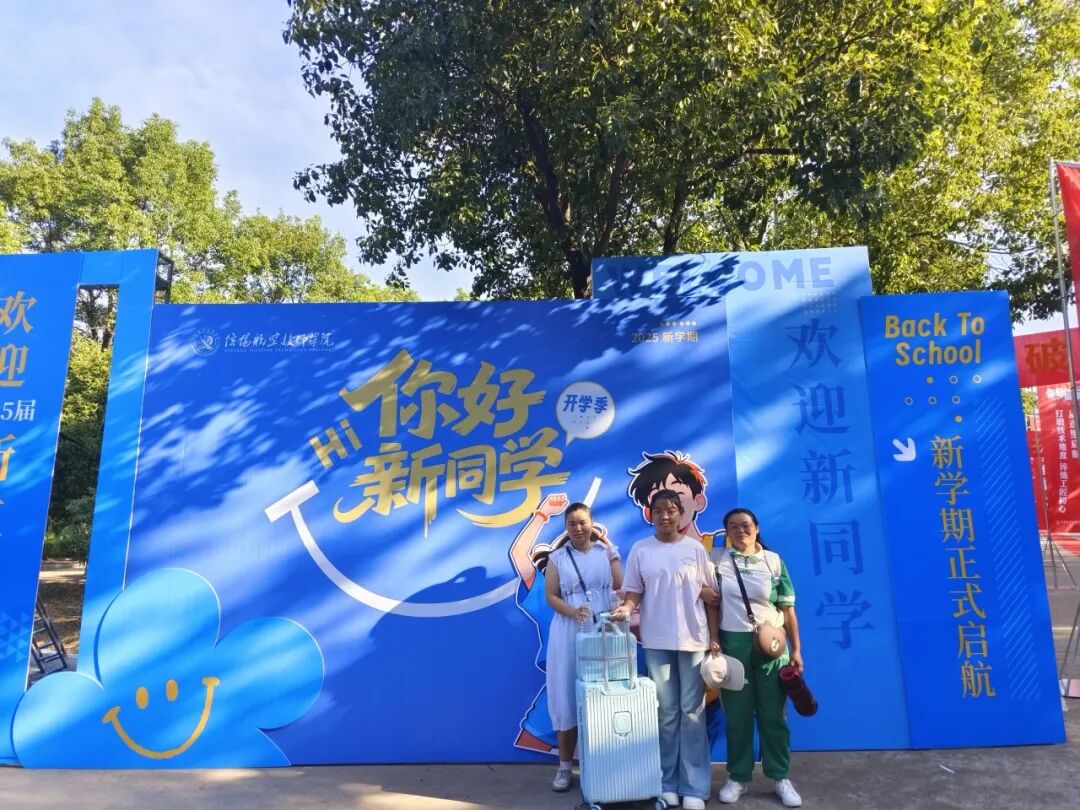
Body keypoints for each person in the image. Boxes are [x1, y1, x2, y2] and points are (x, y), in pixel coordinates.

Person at [612, 489, 719, 810]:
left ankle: (695, 788)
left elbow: (711, 598)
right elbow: (633, 592)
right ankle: (667, 783)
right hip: (656, 641)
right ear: (650, 514)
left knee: (692, 713)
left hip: (693, 640)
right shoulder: (641, 550)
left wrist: (715, 639)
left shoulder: (695, 550)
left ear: (681, 513)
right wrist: (625, 608)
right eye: (658, 510)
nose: (665, 516)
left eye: (671, 510)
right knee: (666, 713)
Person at [711, 507, 804, 808]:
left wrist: (797, 650)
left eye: (746, 525)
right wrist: (713, 640)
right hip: (733, 645)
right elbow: (711, 604)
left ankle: (780, 776)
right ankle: (738, 777)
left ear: (757, 528)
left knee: (773, 715)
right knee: (737, 716)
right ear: (727, 532)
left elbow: (788, 610)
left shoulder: (773, 561)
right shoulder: (717, 561)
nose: (741, 530)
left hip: (772, 647)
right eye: (733, 526)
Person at [543, 501, 623, 792]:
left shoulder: (606, 552)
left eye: (582, 522)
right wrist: (572, 612)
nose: (578, 528)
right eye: (571, 524)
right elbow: (551, 595)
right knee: (566, 695)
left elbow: (619, 585)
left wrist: (612, 551)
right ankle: (565, 768)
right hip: (568, 631)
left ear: (592, 524)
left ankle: (605, 765)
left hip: (603, 628)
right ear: (566, 528)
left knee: (604, 692)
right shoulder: (557, 558)